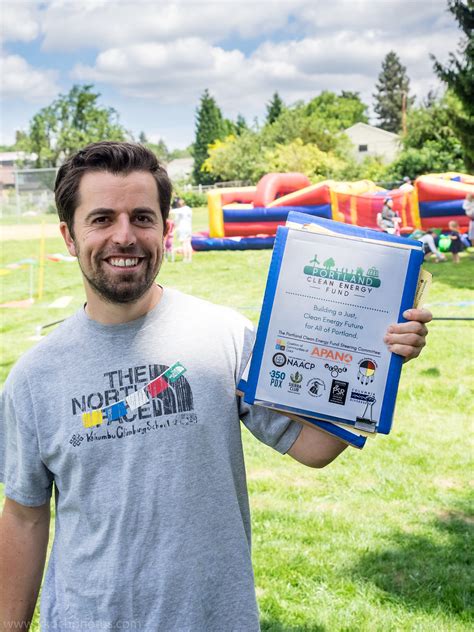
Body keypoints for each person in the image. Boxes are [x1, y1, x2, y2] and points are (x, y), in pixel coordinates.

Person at [0, 142, 431, 632]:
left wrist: (378, 362)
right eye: (101, 219)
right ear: (70, 236)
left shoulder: (223, 335)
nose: (124, 236)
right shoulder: (34, 379)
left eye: (142, 218)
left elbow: (315, 447)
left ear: (165, 229)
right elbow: (24, 518)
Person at [172, 197, 193, 262]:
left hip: (182, 228)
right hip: (189, 228)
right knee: (188, 243)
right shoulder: (189, 209)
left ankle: (185, 258)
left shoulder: (179, 211)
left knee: (183, 243)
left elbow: (173, 214)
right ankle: (189, 258)